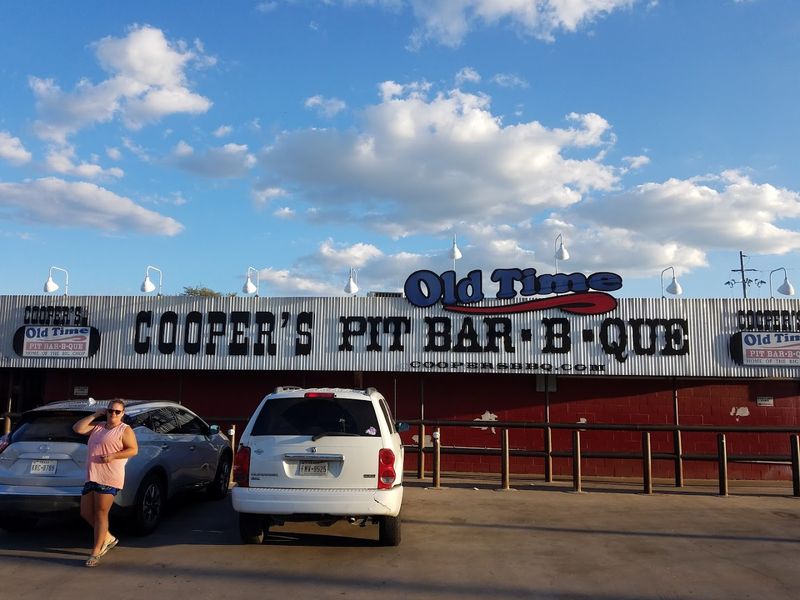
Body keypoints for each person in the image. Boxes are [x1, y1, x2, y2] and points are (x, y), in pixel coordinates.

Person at [73, 398, 138, 567]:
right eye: (111, 411)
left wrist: (113, 456)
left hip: (109, 477)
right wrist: (95, 414)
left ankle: (96, 552)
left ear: (122, 414)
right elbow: (78, 428)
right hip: (92, 475)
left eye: (117, 412)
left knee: (101, 513)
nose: (113, 414)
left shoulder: (125, 429)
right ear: (106, 411)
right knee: (86, 512)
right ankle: (107, 538)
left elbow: (133, 449)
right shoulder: (98, 427)